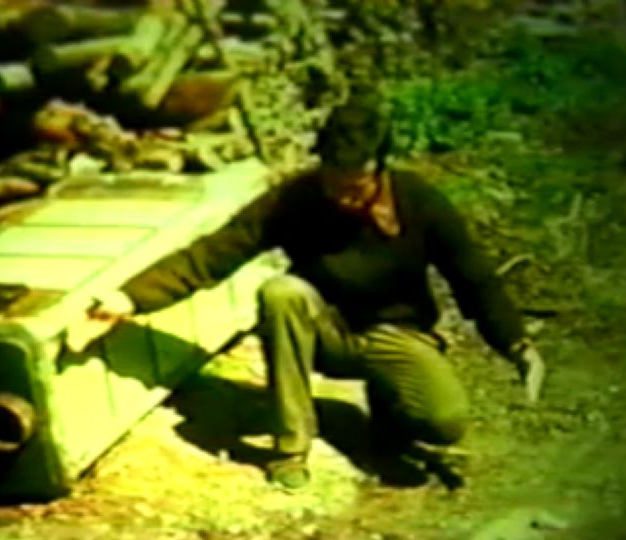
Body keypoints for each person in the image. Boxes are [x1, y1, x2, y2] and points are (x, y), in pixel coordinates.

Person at [84, 91, 546, 490]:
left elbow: (473, 276)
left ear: (379, 170)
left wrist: (515, 343)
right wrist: (129, 297)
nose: (344, 197)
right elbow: (212, 253)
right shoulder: (297, 197)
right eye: (334, 185)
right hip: (324, 328)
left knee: (444, 421)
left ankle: (389, 414)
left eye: (356, 188)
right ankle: (291, 447)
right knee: (281, 292)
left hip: (397, 332)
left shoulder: (418, 200)